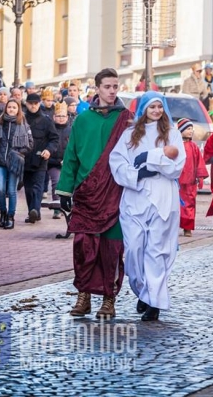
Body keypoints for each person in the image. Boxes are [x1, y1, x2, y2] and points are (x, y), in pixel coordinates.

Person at [56, 68, 134, 319]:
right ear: (97, 88)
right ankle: (84, 297)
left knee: (111, 249)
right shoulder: (82, 120)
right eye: (108, 87)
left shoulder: (127, 119)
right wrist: (65, 190)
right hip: (86, 193)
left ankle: (109, 300)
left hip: (115, 194)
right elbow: (71, 157)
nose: (112, 91)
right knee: (83, 247)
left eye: (115, 86)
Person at [110, 91, 185, 321]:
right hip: (135, 196)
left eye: (159, 107)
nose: (156, 111)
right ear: (144, 109)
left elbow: (177, 165)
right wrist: (137, 173)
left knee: (157, 251)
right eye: (152, 107)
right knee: (133, 249)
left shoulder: (172, 133)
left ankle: (155, 301)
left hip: (163, 196)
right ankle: (143, 290)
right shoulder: (130, 134)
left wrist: (151, 159)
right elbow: (118, 161)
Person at [0, 99, 33, 229]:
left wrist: (18, 153)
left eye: (14, 107)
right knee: (1, 190)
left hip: (14, 162)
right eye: (9, 107)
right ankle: (2, 213)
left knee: (11, 190)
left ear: (18, 109)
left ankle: (10, 216)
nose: (12, 109)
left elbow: (30, 144)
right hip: (1, 161)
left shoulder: (23, 123)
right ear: (6, 108)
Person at [22, 93, 59, 224]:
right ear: (26, 104)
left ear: (39, 104)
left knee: (37, 187)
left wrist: (48, 150)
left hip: (40, 159)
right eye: (30, 103)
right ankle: (32, 211)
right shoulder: (21, 119)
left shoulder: (46, 120)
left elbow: (54, 138)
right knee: (28, 188)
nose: (33, 106)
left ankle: (35, 211)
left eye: (35, 103)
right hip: (25, 159)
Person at [177, 118, 208, 237]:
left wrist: (200, 177)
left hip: (190, 182)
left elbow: (199, 162)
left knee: (189, 204)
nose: (191, 131)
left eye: (191, 129)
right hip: (177, 181)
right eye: (188, 129)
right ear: (181, 130)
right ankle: (174, 226)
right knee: (176, 204)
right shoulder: (175, 145)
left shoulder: (194, 147)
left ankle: (187, 228)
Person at [47, 103, 71, 219]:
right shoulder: (50, 130)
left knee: (68, 185)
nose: (61, 118)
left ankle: (68, 206)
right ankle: (57, 209)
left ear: (67, 117)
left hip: (68, 163)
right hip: (53, 162)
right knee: (56, 183)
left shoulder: (71, 130)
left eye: (63, 116)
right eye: (58, 116)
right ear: (54, 117)